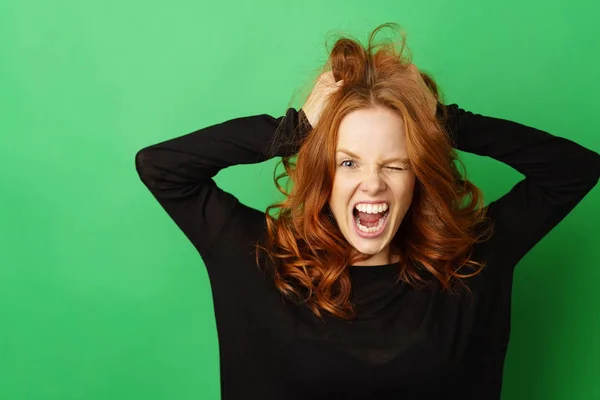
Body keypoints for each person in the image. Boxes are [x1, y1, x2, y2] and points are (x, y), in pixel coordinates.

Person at [134, 23, 600, 400]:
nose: (372, 182)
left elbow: (575, 169)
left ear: (416, 176)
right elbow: (161, 167)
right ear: (323, 173)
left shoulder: (471, 265)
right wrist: (296, 128)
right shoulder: (255, 259)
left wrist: (438, 122)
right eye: (348, 162)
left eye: (395, 164)